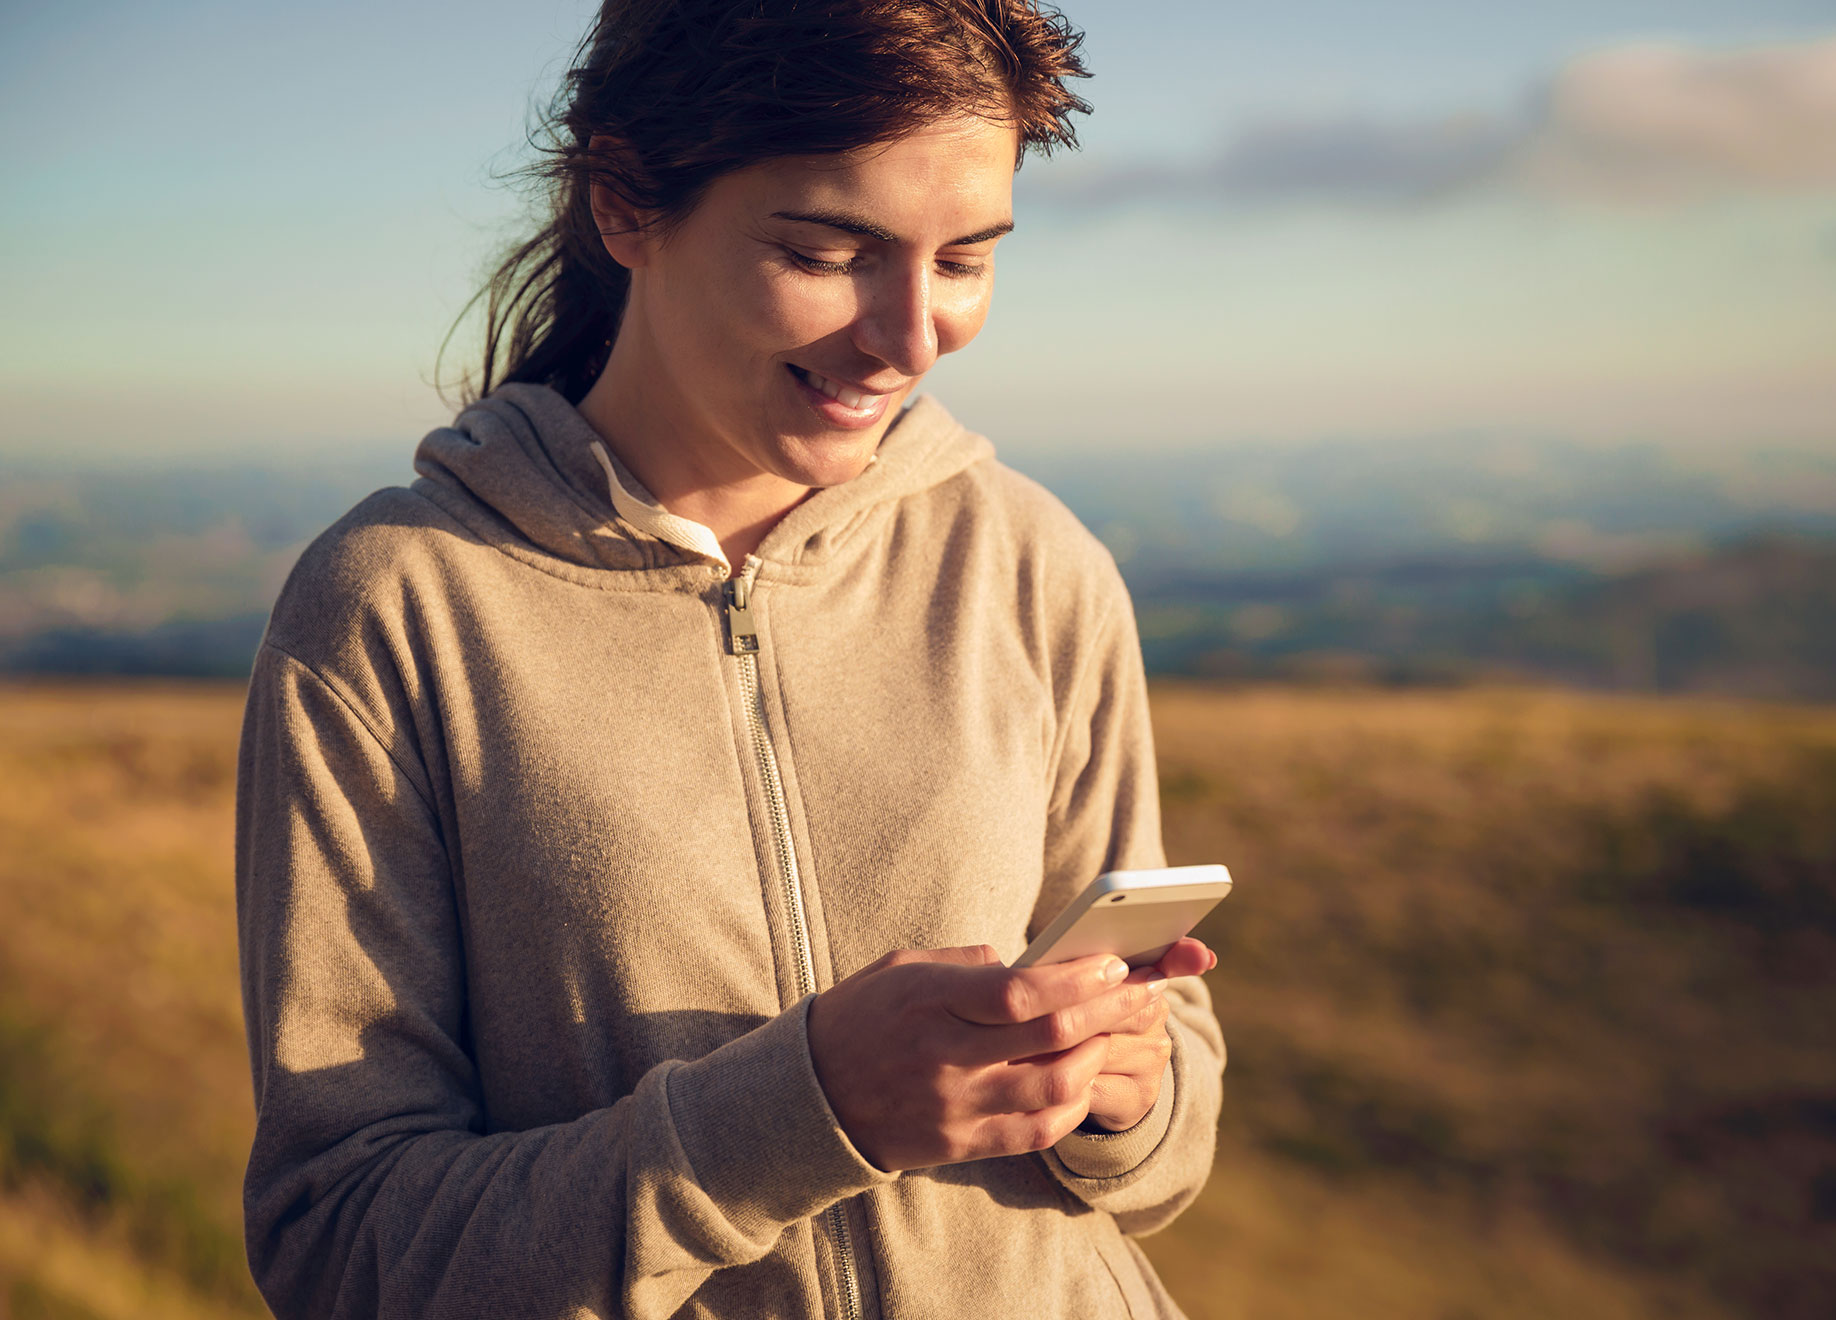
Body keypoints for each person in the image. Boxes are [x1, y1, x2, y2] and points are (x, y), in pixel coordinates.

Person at [232, 0, 1224, 1316]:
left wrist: (1128, 1090)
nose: (913, 337)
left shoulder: (1036, 567)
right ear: (626, 204)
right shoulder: (392, 611)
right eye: (829, 252)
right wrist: (806, 1111)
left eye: (968, 261)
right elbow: (341, 1249)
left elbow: (1168, 1155)